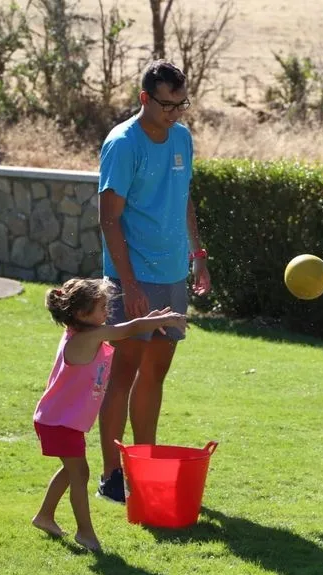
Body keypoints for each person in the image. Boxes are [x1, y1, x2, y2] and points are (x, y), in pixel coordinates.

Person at [96, 59, 211, 503]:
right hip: (132, 277)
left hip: (172, 275)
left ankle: (142, 468)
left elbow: (184, 200)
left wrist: (198, 256)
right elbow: (109, 219)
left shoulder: (181, 138)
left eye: (182, 104)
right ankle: (111, 475)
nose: (175, 113)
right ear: (145, 98)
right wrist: (129, 285)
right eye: (167, 105)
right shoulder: (123, 144)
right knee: (123, 372)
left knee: (155, 375)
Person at [31, 278, 187, 551]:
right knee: (80, 475)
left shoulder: (82, 332)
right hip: (59, 423)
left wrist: (149, 320)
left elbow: (128, 328)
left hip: (59, 420)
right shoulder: (88, 337)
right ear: (81, 314)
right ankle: (85, 533)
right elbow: (127, 329)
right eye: (102, 307)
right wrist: (160, 320)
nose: (108, 311)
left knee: (72, 471)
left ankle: (44, 516)